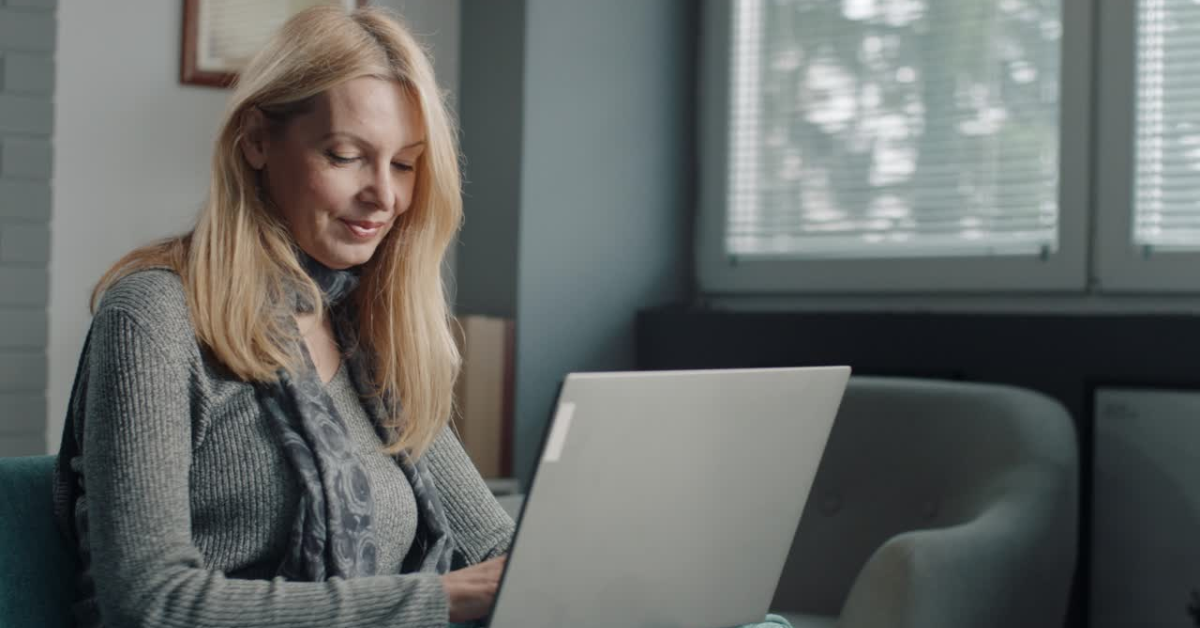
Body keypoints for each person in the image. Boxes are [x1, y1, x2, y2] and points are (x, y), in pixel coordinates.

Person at [51, 6, 513, 628]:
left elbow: (493, 548)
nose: (384, 195)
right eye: (347, 155)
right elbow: (151, 602)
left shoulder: (368, 327)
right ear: (258, 141)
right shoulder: (153, 317)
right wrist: (439, 598)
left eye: (404, 163)